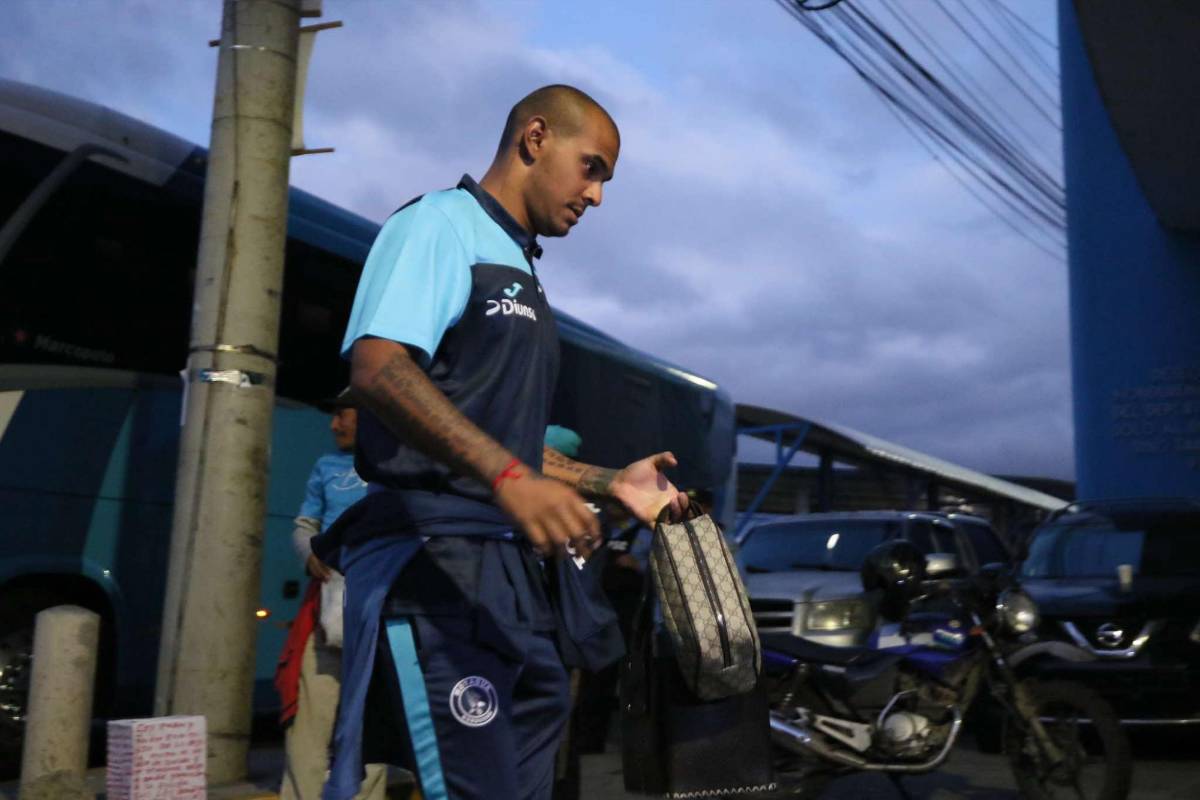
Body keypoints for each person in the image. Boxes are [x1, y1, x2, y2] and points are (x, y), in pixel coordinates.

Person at [311, 84, 688, 800]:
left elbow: (498, 435)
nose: (598, 196)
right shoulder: (438, 225)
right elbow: (379, 366)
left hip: (513, 579)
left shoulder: (523, 268)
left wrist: (611, 483)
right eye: (593, 167)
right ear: (536, 138)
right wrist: (511, 479)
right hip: (436, 564)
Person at [275, 395, 386, 800]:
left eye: (342, 415)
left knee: (370, 721)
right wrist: (310, 553)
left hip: (379, 608)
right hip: (326, 610)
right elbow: (305, 525)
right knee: (310, 719)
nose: (333, 424)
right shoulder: (325, 467)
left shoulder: (397, 468)